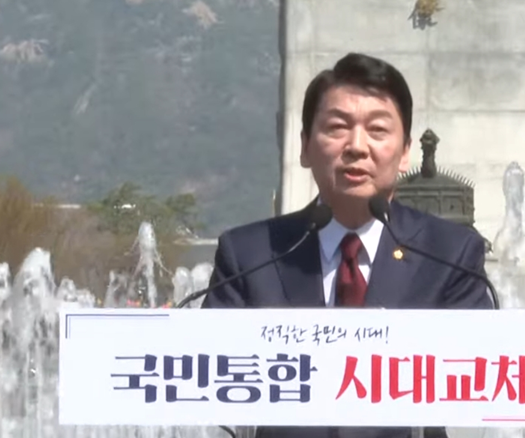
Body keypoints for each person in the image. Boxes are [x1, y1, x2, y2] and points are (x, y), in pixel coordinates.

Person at [203, 52, 493, 438]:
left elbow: (474, 378)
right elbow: (205, 373)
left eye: (377, 130)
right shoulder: (250, 254)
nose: (356, 146)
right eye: (337, 128)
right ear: (305, 147)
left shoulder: (450, 254)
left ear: (405, 151)